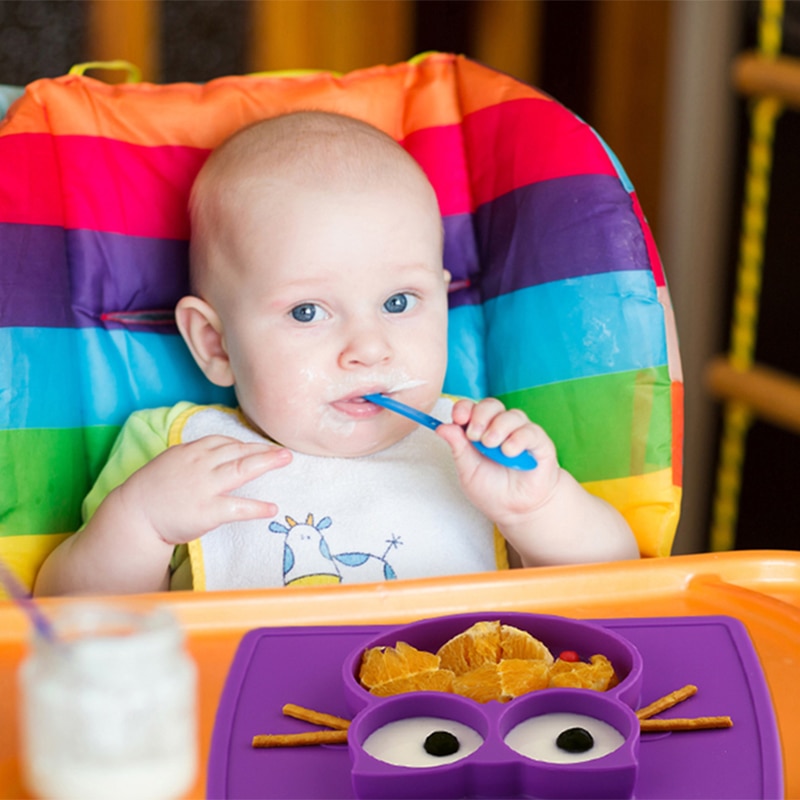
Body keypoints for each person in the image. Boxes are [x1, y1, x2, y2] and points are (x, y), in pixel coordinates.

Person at [34, 111, 638, 596]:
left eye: (399, 302)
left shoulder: (477, 445)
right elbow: (65, 617)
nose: (370, 349)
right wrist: (140, 525)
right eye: (307, 312)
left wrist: (540, 505)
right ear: (215, 344)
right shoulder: (170, 449)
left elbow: (621, 580)